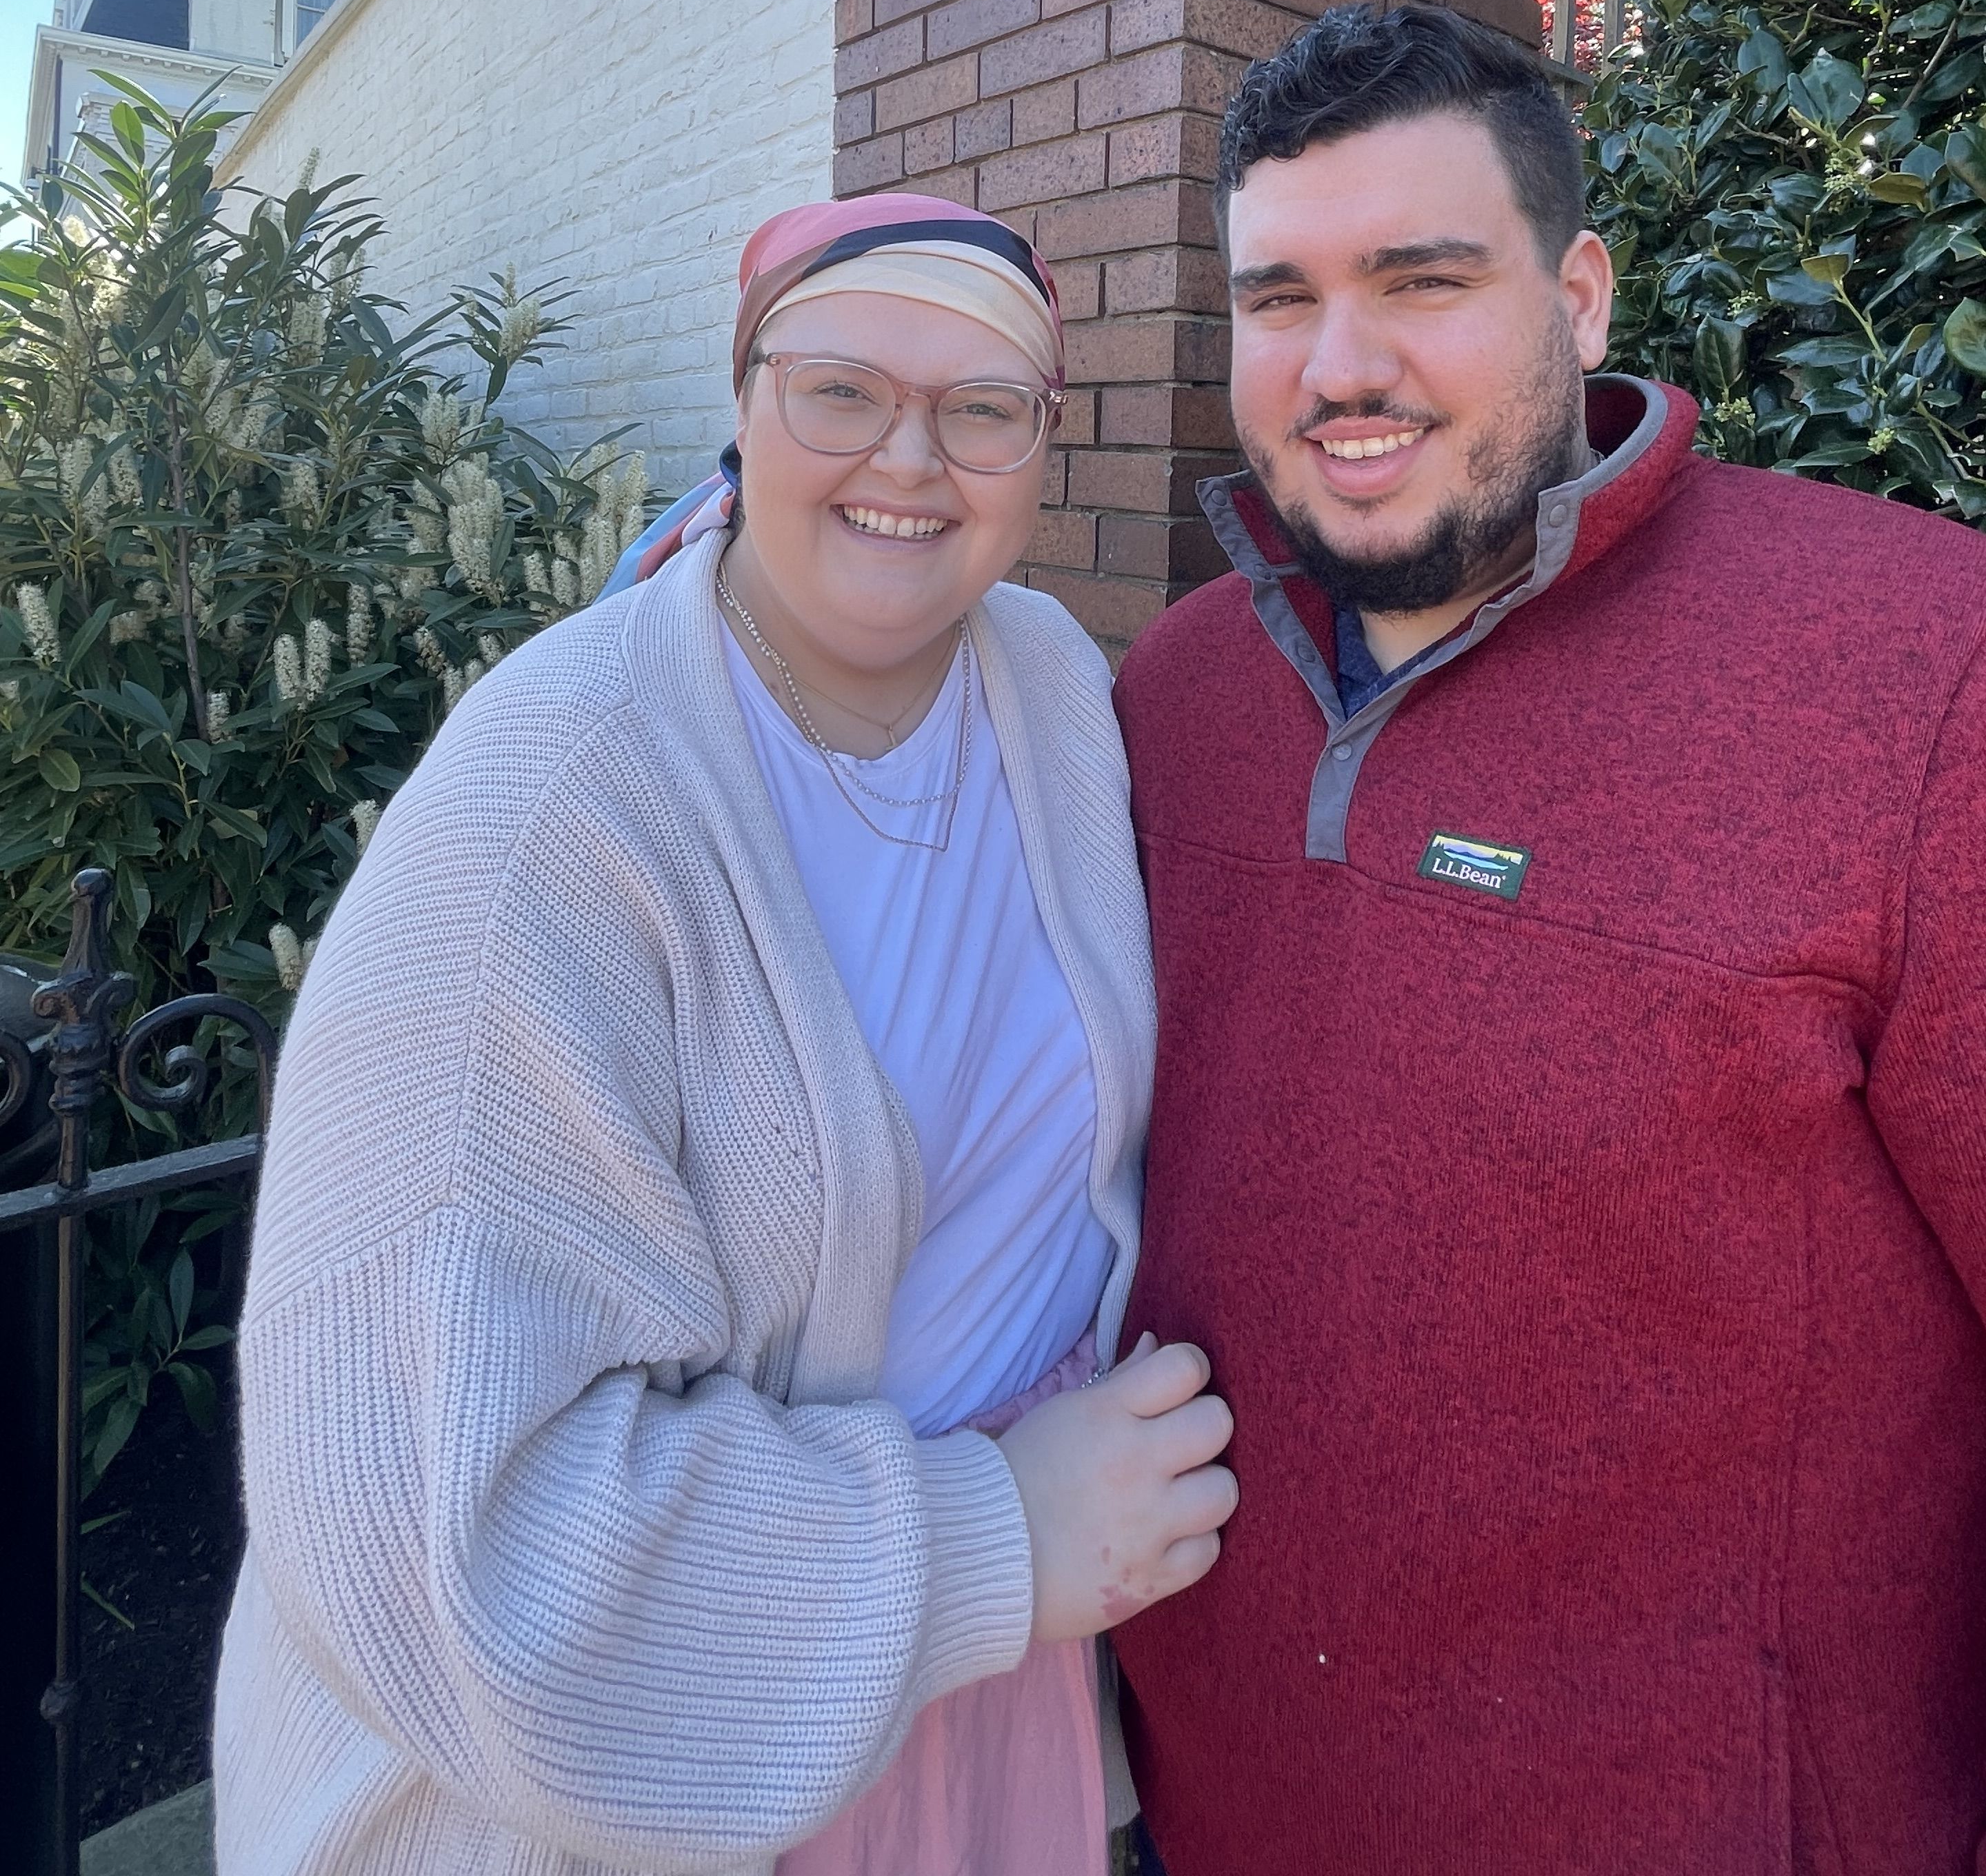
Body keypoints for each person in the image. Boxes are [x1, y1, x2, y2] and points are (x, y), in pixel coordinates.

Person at [1112, 3, 1986, 1876]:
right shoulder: (1168, 704)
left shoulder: (1949, 687)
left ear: (1580, 294)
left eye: (1422, 278)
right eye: (1279, 296)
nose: (1342, 365)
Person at [214, 193, 1236, 1876]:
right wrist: (1004, 1535)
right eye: (840, 388)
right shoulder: (548, 806)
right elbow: (448, 1533)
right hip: (622, 1785)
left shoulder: (1047, 680)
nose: (910, 460)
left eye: (984, 409)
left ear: (1043, 445)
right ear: (746, 396)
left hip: (978, 1727)